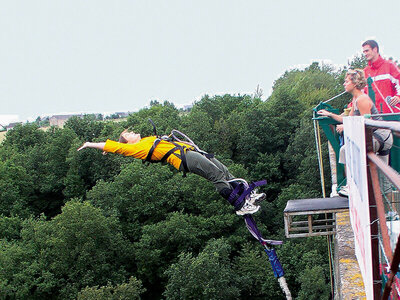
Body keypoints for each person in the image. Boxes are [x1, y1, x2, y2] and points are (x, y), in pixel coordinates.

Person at [77, 130, 266, 216]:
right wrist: (91, 145)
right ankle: (240, 205)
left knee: (224, 170)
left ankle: (246, 196)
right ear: (127, 142)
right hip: (185, 159)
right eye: (130, 134)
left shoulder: (146, 140)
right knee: (216, 176)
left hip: (190, 151)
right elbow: (116, 147)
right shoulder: (136, 149)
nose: (134, 132)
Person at [318, 69, 393, 196]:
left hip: (380, 137)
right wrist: (330, 114)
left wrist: (346, 127)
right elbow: (349, 119)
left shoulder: (362, 100)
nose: (344, 84)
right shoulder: (356, 99)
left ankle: (351, 186)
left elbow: (366, 124)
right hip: (376, 137)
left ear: (354, 83)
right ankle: (390, 211)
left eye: (346, 81)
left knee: (345, 150)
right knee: (383, 180)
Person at [362, 40, 400, 114]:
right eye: (364, 52)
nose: (365, 54)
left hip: (391, 114)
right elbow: (361, 94)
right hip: (373, 116)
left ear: (375, 49)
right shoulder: (365, 72)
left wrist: (398, 96)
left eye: (367, 51)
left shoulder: (389, 66)